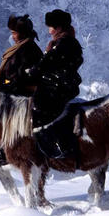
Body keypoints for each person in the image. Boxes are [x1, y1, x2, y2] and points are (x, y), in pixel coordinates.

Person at [0, 14, 43, 165]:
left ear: (22, 33)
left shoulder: (29, 49)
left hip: (24, 94)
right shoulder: (18, 48)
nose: (12, 36)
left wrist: (4, 86)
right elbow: (6, 72)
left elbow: (22, 76)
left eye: (14, 33)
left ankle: (5, 150)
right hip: (14, 89)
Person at [27, 9, 84, 159]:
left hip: (61, 86)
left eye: (51, 26)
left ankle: (56, 148)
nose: (49, 30)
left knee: (38, 110)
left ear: (58, 27)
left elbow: (48, 61)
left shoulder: (64, 42)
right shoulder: (63, 41)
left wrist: (33, 71)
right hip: (58, 83)